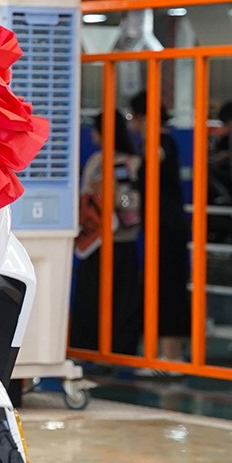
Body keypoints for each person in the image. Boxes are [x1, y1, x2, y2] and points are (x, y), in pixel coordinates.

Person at [70, 111, 144, 356]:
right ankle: (100, 349)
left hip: (109, 239)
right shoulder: (104, 161)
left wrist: (112, 196)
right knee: (104, 298)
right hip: (105, 239)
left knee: (109, 298)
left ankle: (106, 350)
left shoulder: (123, 162)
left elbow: (132, 201)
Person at [131, 91, 191, 366]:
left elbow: (155, 162)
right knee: (161, 287)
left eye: (134, 117)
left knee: (168, 288)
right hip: (160, 227)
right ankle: (163, 354)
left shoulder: (161, 142)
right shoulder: (155, 143)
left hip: (167, 228)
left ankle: (171, 356)